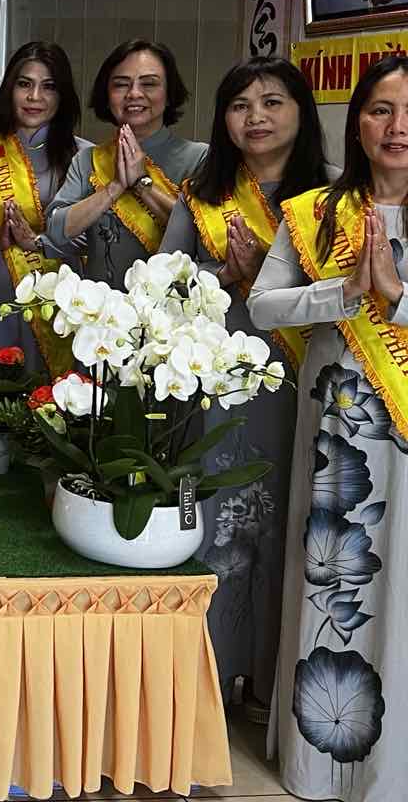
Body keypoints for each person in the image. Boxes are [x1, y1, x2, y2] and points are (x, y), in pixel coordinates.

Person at [248, 54, 408, 802]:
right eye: (381, 110)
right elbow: (263, 305)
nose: (397, 127)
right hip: (337, 439)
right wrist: (340, 294)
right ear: (357, 121)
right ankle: (321, 762)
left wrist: (396, 297)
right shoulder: (315, 212)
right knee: (332, 576)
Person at [157, 57, 331, 712]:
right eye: (239, 105)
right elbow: (160, 289)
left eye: (272, 102)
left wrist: (270, 274)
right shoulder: (201, 194)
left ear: (301, 112)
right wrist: (221, 277)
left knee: (287, 526)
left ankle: (270, 680)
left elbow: (351, 298)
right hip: (213, 390)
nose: (255, 117)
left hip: (298, 385)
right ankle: (207, 676)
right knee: (210, 522)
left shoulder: (334, 198)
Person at [0, 41, 89, 376]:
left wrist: (40, 242)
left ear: (63, 95)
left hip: (63, 293)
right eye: (25, 84)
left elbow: (94, 236)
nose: (35, 97)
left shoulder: (85, 157)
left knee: (61, 390)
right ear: (10, 89)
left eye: (48, 86)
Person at [44, 39, 206, 287]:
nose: (134, 94)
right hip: (100, 307)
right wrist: (114, 187)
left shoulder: (199, 158)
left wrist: (142, 183)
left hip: (173, 307)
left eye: (149, 84)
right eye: (121, 84)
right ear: (107, 95)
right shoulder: (88, 160)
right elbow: (56, 229)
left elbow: (205, 236)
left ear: (169, 94)